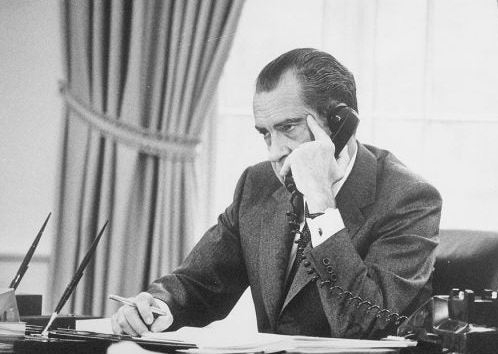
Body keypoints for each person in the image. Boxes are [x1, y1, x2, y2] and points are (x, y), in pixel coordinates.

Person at [111, 48, 442, 339]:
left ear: (340, 123)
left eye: (288, 128)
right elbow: (199, 284)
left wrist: (321, 203)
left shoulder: (409, 199)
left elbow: (364, 326)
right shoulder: (258, 184)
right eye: (265, 134)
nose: (274, 152)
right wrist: (156, 306)